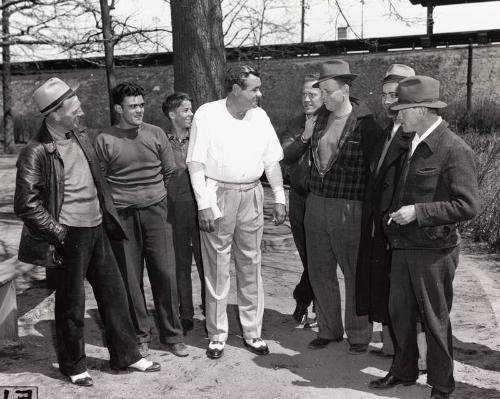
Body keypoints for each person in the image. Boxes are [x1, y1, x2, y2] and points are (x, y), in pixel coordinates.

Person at [14, 77, 160, 387]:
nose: (81, 111)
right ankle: (74, 365)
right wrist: (59, 232)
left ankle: (127, 356)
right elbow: (26, 204)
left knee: (115, 295)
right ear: (54, 113)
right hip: (67, 234)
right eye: (74, 107)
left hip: (97, 227)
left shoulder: (79, 135)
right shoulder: (36, 151)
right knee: (71, 303)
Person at [369, 76, 479, 399]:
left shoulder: (454, 149)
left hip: (434, 251)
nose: (397, 115)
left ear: (420, 109)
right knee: (399, 312)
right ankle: (403, 371)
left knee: (434, 319)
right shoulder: (410, 142)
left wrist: (419, 212)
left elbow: (468, 205)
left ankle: (442, 384)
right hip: (403, 246)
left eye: (402, 109)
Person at [187, 65, 287, 359]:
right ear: (235, 89)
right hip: (218, 194)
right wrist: (203, 203)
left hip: (252, 193)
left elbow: (272, 162)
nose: (260, 93)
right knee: (217, 264)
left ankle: (252, 331)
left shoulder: (261, 116)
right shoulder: (207, 114)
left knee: (251, 263)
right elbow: (195, 163)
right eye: (254, 88)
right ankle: (217, 334)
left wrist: (280, 197)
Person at [95, 82, 188, 358]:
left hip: (156, 212)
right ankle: (140, 335)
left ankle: (173, 335)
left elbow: (170, 171)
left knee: (166, 273)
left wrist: (157, 199)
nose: (138, 110)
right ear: (118, 109)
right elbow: (100, 182)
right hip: (122, 216)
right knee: (130, 278)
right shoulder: (105, 139)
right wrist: (113, 213)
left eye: (141, 105)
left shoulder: (156, 134)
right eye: (132, 106)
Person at [304, 59, 383, 354]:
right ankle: (328, 329)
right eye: (321, 91)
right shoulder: (319, 120)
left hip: (350, 208)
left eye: (328, 91)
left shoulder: (366, 123)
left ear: (346, 89)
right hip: (316, 204)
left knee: (353, 272)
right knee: (320, 270)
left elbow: (376, 173)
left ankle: (359, 335)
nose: (323, 98)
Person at [356, 64, 415, 358]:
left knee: (403, 292)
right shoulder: (385, 132)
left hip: (402, 225)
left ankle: (410, 356)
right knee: (386, 286)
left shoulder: (411, 136)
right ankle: (393, 348)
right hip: (382, 224)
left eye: (394, 94)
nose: (388, 100)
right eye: (384, 94)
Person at [281, 73, 323, 327]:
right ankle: (312, 302)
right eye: (303, 94)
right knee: (308, 256)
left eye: (312, 94)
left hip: (322, 198)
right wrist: (305, 136)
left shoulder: (334, 121)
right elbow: (284, 155)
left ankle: (305, 300)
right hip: (298, 198)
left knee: (320, 257)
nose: (306, 99)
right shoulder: (296, 124)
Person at [162, 92, 205, 334]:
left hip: (200, 210)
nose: (191, 114)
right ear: (172, 114)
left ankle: (210, 310)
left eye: (191, 109)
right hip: (173, 212)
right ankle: (185, 313)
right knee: (180, 264)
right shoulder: (161, 141)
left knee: (205, 262)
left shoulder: (198, 139)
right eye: (186, 110)